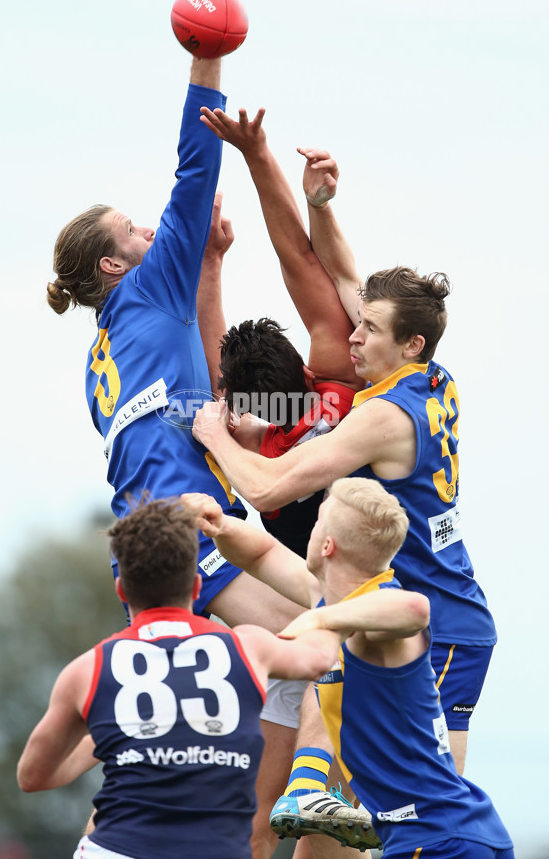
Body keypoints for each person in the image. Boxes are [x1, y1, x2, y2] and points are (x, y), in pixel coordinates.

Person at [192, 259, 497, 780]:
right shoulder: (410, 384)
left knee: (429, 795)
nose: (353, 336)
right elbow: (329, 265)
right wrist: (320, 204)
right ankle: (310, 787)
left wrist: (215, 434)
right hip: (405, 605)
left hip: (427, 618)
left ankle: (310, 784)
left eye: (368, 327)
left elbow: (265, 486)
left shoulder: (368, 419)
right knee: (365, 793)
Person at [46, 56, 303, 634]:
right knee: (326, 641)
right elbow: (195, 172)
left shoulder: (100, 359)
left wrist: (210, 265)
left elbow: (200, 396)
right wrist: (206, 59)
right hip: (186, 525)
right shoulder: (149, 286)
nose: (150, 232)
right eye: (134, 230)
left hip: (144, 542)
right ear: (113, 264)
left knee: (253, 699)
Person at [183, 479, 514, 859]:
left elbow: (415, 610)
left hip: (436, 837)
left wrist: (320, 622)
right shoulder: (326, 593)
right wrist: (219, 524)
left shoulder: (381, 606)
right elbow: (260, 554)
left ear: (326, 545)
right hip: (443, 831)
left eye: (320, 516)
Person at [197, 106, 364, 857]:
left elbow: (213, 379)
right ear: (301, 371)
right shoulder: (333, 381)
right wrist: (261, 155)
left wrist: (210, 268)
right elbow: (300, 255)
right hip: (352, 618)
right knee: (349, 819)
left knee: (260, 821)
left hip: (330, 623)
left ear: (239, 407)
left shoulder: (243, 446)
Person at [17, 497, 343, 859]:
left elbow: (33, 777)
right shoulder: (250, 648)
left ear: (122, 590)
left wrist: (128, 730)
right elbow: (326, 655)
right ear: (197, 586)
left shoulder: (87, 669)